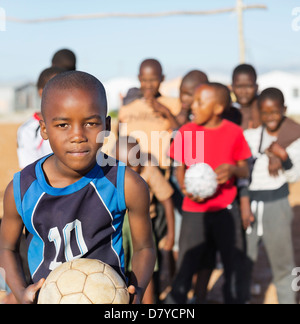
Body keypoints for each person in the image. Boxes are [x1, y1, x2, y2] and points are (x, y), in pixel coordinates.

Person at [0, 71, 156, 304]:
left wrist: (138, 289)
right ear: (43, 129)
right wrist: (21, 292)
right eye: (63, 124)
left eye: (91, 123)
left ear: (107, 125)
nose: (77, 136)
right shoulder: (22, 189)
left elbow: (144, 248)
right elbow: (6, 248)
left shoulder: (126, 184)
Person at [166, 83, 252, 304]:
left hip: (226, 210)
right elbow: (179, 168)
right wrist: (186, 190)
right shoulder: (186, 132)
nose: (193, 106)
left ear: (218, 108)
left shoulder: (234, 132)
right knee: (188, 266)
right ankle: (177, 302)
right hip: (194, 210)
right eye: (193, 100)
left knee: (233, 266)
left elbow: (245, 168)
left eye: (200, 102)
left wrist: (233, 169)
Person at [244, 88, 300, 304]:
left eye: (275, 112)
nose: (270, 118)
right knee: (244, 261)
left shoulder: (293, 140)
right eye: (265, 113)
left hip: (277, 204)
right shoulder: (250, 137)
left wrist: (283, 157)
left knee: (283, 264)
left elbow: (294, 175)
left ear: (284, 110)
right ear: (259, 112)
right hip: (249, 204)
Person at [116, 136, 175, 304]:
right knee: (120, 268)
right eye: (125, 166)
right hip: (119, 224)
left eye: (134, 164)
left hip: (142, 224)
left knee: (144, 270)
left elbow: (167, 198)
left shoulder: (148, 170)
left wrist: (170, 234)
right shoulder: (112, 173)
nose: (131, 171)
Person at [118, 58, 181, 171]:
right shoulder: (127, 107)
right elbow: (120, 136)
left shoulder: (173, 104)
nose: (149, 85)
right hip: (131, 168)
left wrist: (166, 112)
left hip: (159, 168)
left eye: (153, 80)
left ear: (162, 78)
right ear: (139, 78)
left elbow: (180, 133)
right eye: (144, 80)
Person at [17, 67, 65, 169]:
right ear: (41, 92)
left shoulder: (75, 123)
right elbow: (28, 169)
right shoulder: (27, 130)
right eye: (57, 88)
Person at [232, 64, 261, 130]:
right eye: (239, 86)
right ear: (232, 87)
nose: (244, 91)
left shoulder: (264, 112)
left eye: (249, 86)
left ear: (256, 87)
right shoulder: (227, 113)